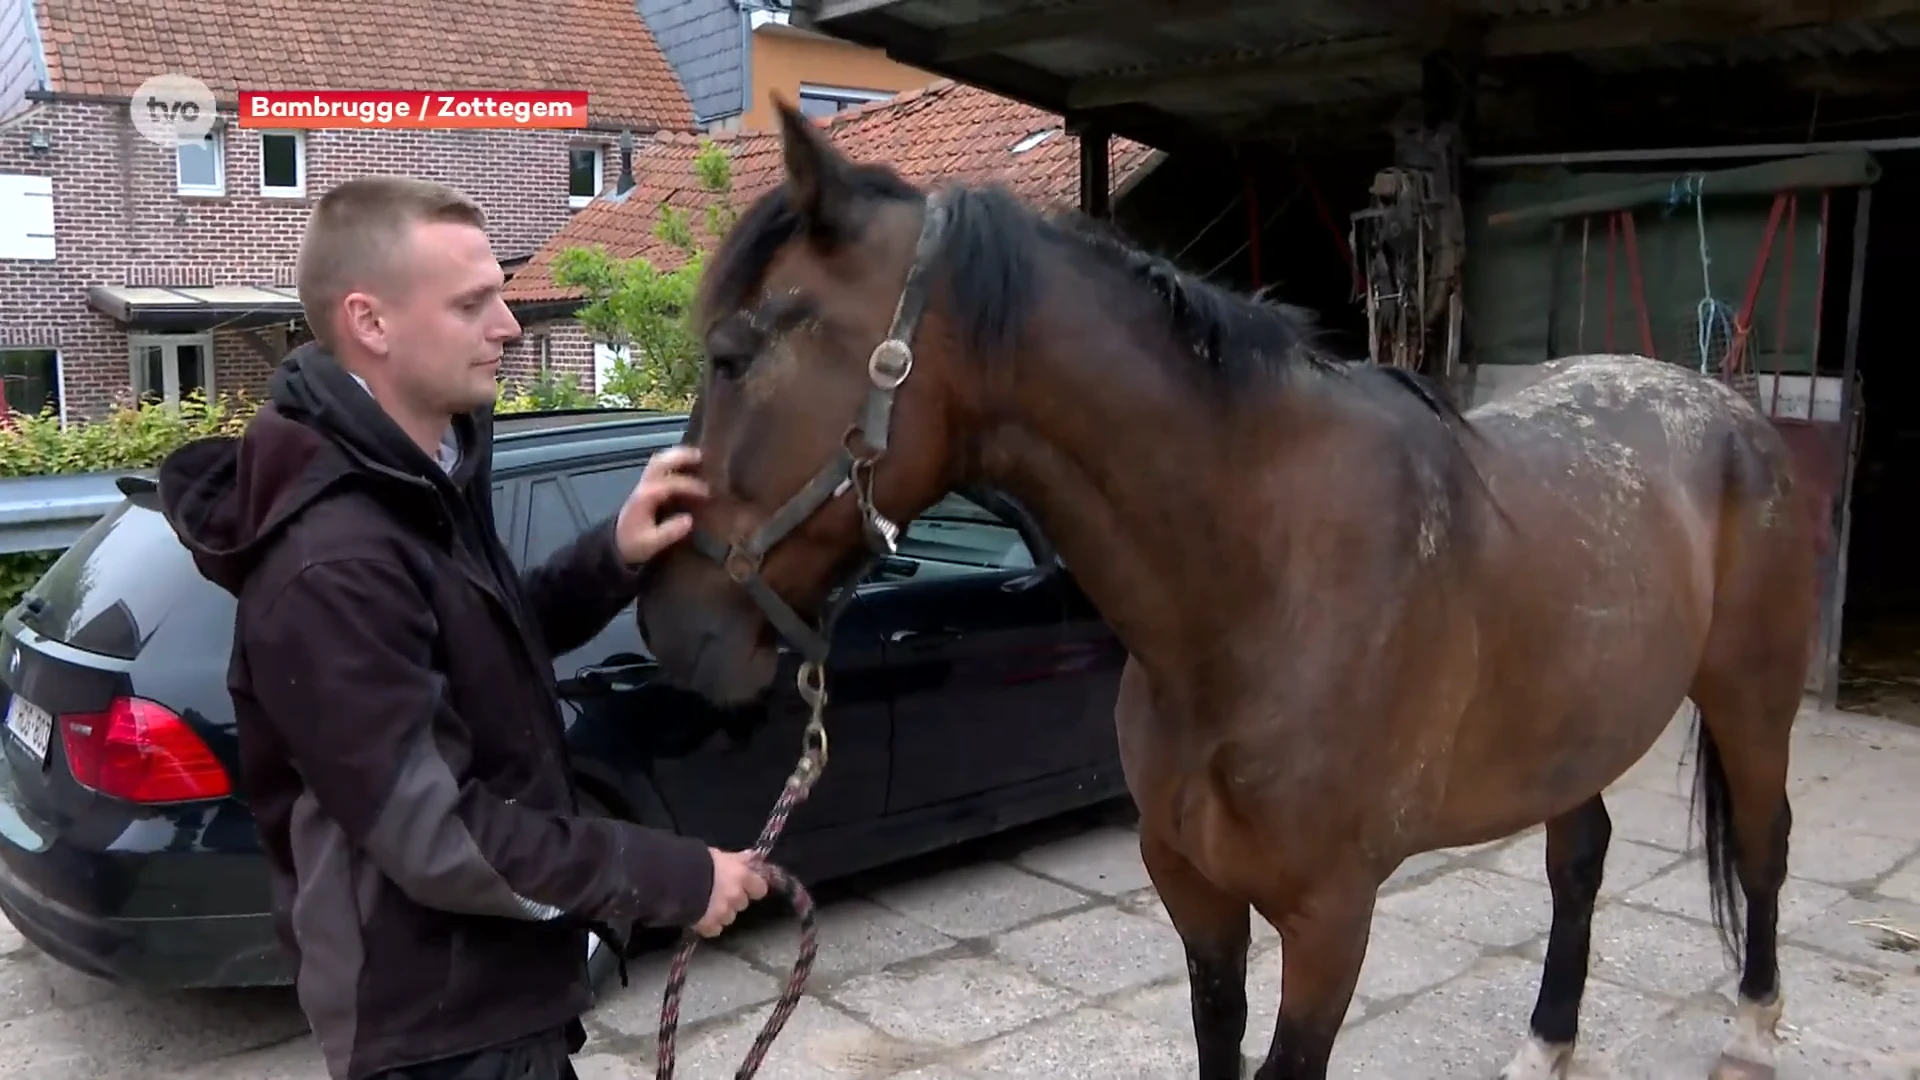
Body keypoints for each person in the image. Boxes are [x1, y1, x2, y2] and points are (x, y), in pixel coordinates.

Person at [155, 176, 768, 1080]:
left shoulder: (422, 476)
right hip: (435, 1032)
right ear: (371, 323)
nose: (510, 328)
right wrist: (676, 878)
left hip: (498, 1000)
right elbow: (443, 837)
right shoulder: (333, 562)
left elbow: (488, 649)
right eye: (475, 303)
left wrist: (616, 552)